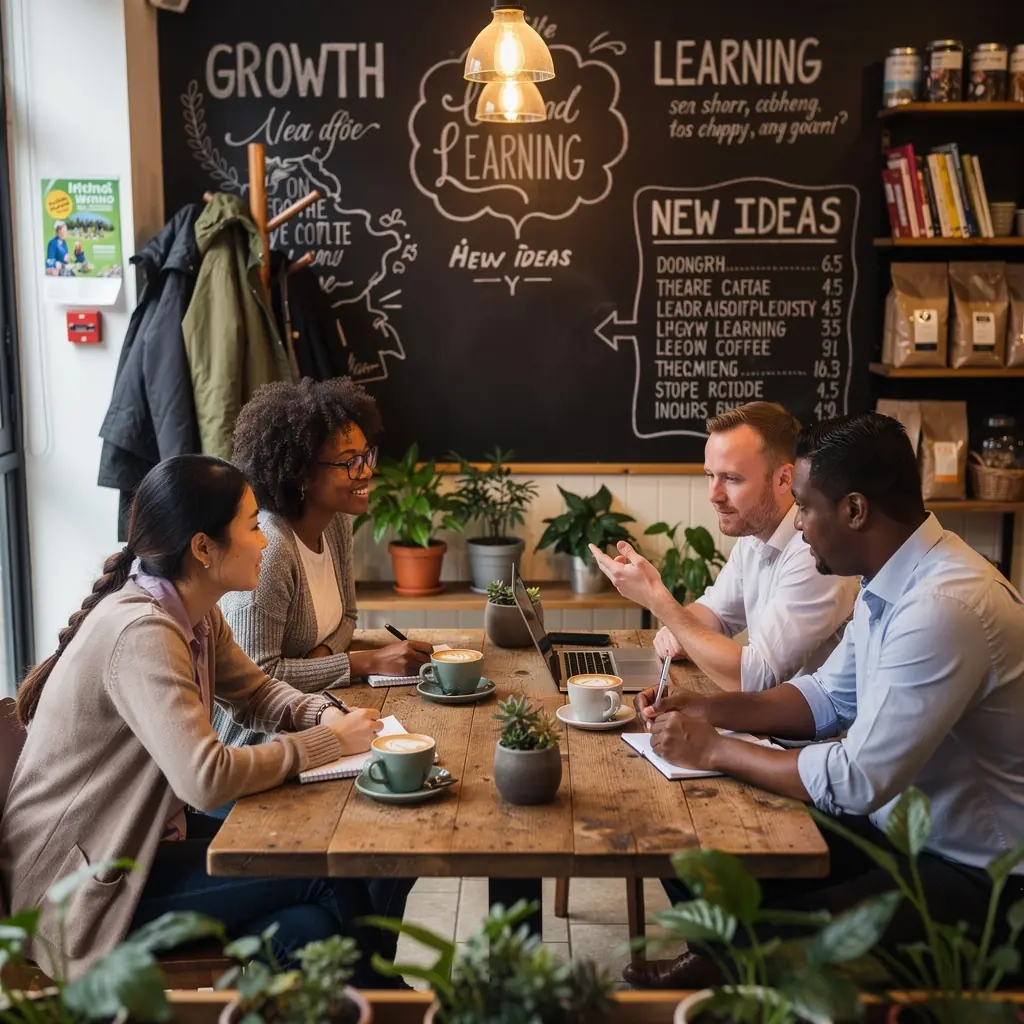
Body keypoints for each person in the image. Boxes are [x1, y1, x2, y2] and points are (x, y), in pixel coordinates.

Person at [621, 412, 1024, 989]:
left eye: (806, 508)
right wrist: (712, 709)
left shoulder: (946, 605)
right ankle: (724, 966)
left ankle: (735, 974)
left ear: (855, 511)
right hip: (898, 832)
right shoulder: (890, 578)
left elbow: (858, 778)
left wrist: (716, 750)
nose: (801, 526)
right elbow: (828, 696)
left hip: (981, 875)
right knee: (692, 847)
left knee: (770, 945)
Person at [0, 455, 408, 984]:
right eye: (253, 526)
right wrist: (324, 743)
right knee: (323, 871)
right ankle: (397, 1004)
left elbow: (255, 691)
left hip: (138, 847)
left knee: (305, 924)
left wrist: (323, 711)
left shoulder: (192, 610)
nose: (264, 540)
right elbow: (205, 779)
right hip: (81, 892)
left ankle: (374, 1003)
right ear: (202, 547)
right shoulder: (143, 633)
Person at [213, 378, 432, 754]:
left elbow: (347, 616)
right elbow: (259, 679)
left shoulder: (335, 522)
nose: (366, 471)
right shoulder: (270, 551)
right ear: (301, 473)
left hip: (317, 714)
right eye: (350, 462)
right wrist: (365, 661)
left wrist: (319, 658)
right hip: (255, 746)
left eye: (368, 455)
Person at [592, 402, 858, 692]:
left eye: (731, 478)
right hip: (768, 725)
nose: (714, 495)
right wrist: (679, 628)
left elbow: (753, 678)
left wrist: (659, 602)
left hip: (806, 735)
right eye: (710, 475)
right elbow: (715, 614)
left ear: (784, 479)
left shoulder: (814, 553)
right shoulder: (754, 532)